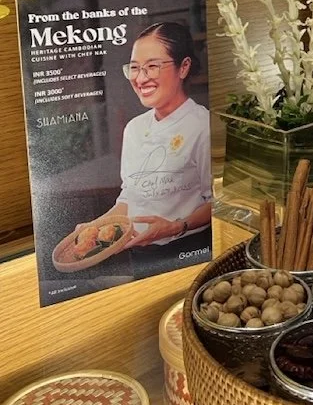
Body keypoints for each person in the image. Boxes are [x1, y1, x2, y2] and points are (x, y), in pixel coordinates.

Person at [76, 22, 212, 259]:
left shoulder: (203, 125)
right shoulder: (134, 129)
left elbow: (218, 202)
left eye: (152, 66)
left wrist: (176, 227)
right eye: (134, 68)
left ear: (183, 67)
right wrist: (94, 226)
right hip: (137, 251)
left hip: (188, 249)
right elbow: (130, 198)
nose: (140, 78)